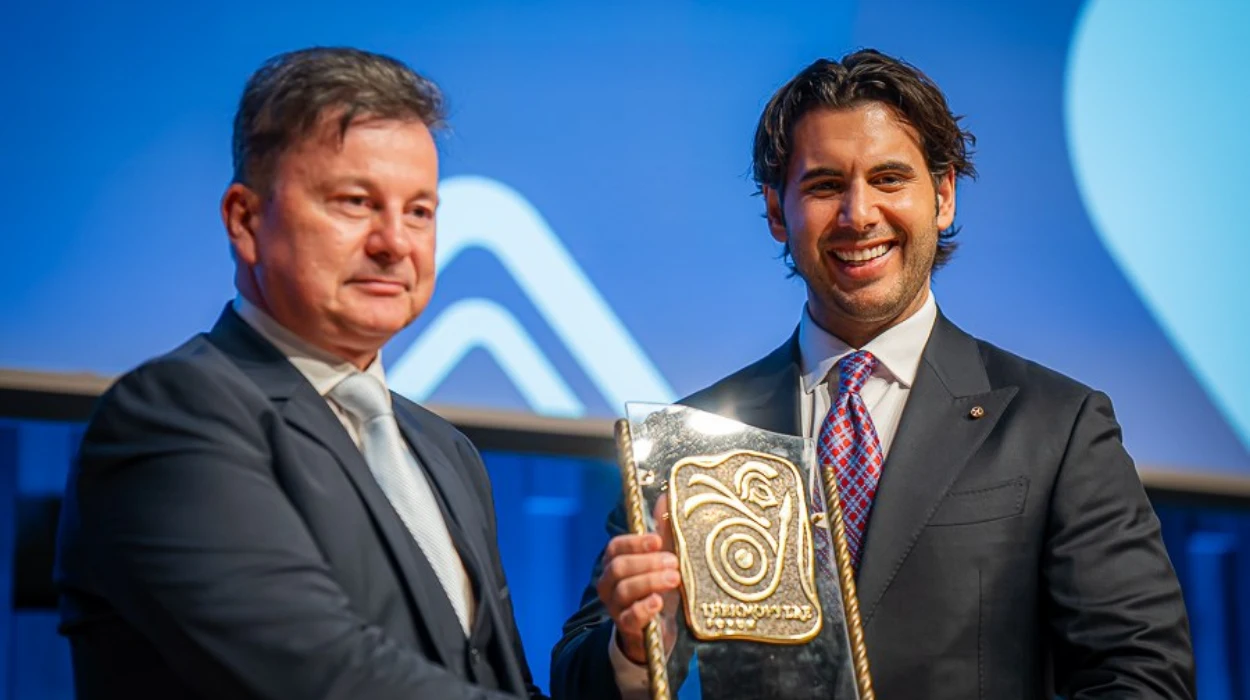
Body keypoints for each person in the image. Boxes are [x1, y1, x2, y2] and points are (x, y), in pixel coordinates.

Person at [551, 49, 1194, 699]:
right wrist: (634, 646)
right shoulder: (693, 438)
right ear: (776, 212)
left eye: (889, 179)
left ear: (943, 197)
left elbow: (1142, 675)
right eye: (825, 185)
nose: (859, 215)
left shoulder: (1057, 427)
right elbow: (576, 677)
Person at [56, 47, 545, 699]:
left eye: (419, 211)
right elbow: (322, 676)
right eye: (355, 202)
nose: (395, 243)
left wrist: (626, 653)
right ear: (245, 220)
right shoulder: (172, 415)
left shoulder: (445, 451)